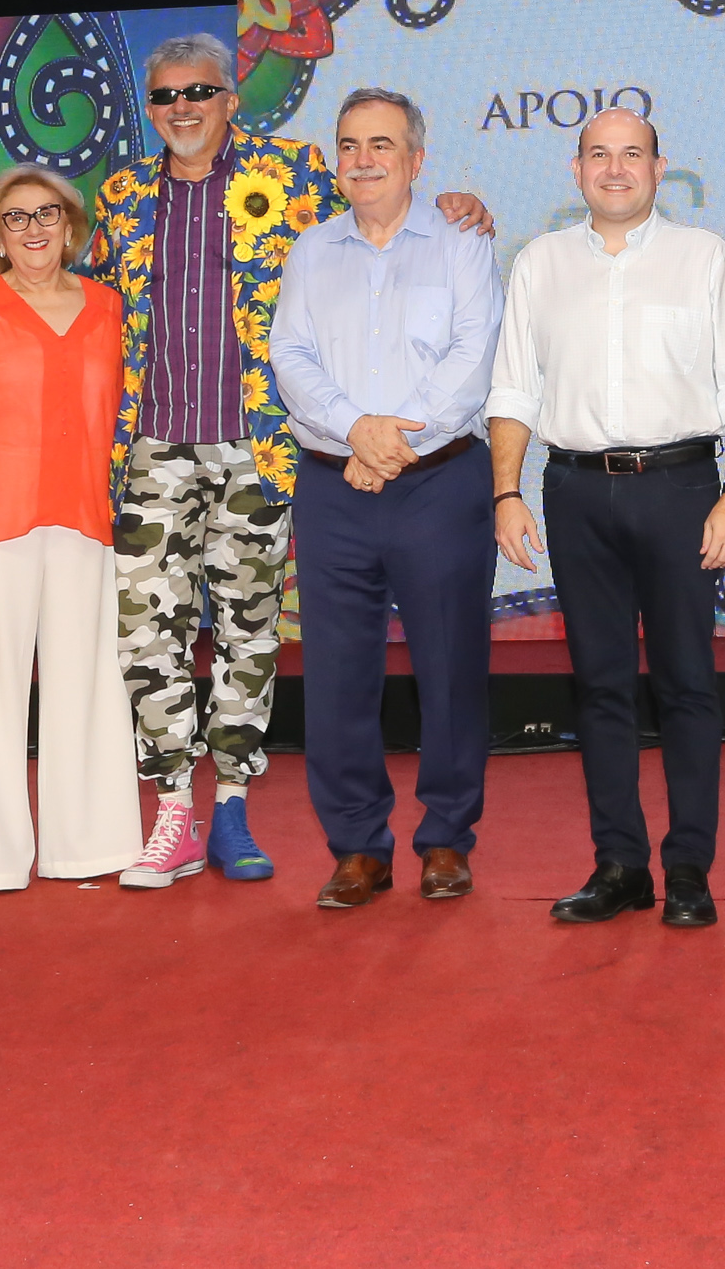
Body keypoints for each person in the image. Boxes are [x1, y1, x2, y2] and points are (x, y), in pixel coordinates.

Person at [87, 35, 491, 891]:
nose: (182, 107)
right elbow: (85, 298)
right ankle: (212, 821)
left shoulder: (300, 176)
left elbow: (459, 340)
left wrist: (384, 440)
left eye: (200, 90)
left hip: (270, 458)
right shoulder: (120, 195)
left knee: (260, 641)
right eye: (164, 96)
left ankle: (247, 812)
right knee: (170, 648)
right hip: (170, 454)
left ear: (233, 99)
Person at [487, 108, 725, 929]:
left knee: (686, 684)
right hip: (575, 494)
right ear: (576, 169)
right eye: (599, 156)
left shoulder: (704, 257)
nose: (616, 170)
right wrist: (507, 493)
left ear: (659, 166)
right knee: (601, 687)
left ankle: (688, 869)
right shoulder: (539, 265)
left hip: (684, 489)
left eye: (632, 155)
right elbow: (513, 391)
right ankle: (619, 865)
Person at [269, 90, 502, 909]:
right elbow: (290, 356)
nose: (363, 159)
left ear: (416, 159)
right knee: (336, 676)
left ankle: (446, 838)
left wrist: (388, 445)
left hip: (440, 483)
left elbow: (475, 355)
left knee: (450, 667)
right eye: (349, 145)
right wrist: (355, 430)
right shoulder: (309, 251)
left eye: (381, 144)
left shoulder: (463, 243)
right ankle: (357, 847)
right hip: (334, 489)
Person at [0, 167, 137, 890]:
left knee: (93, 686)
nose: (34, 228)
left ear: (71, 227)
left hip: (85, 521)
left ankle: (90, 845)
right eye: (16, 218)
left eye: (47, 214)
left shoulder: (110, 308)